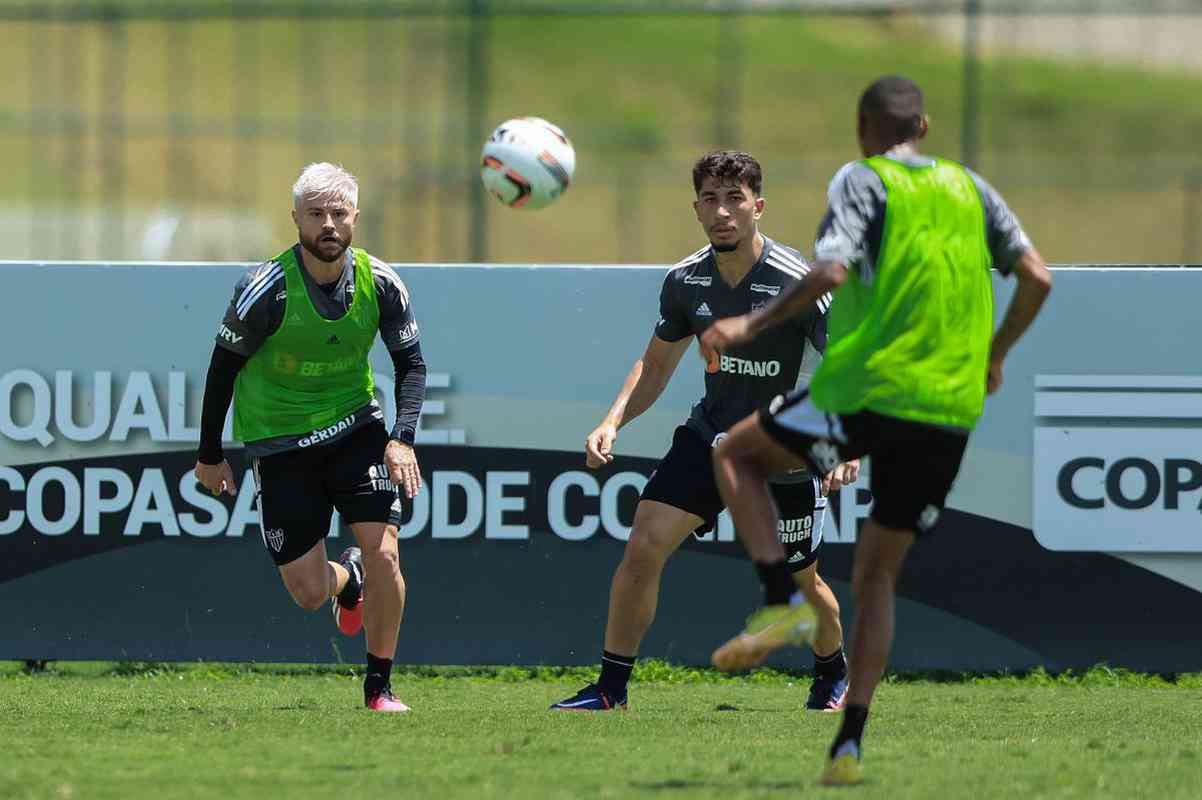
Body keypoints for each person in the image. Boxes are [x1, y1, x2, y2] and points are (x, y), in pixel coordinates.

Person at [699, 76, 1052, 784]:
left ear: (863, 126)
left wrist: (750, 322)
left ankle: (781, 603)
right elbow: (1037, 278)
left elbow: (829, 268)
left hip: (869, 389)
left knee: (735, 453)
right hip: (948, 405)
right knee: (878, 575)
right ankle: (849, 744)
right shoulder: (971, 188)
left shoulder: (863, 179)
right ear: (922, 125)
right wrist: (994, 357)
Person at [551, 150, 859, 713]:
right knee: (643, 545)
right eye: (711, 200)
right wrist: (613, 419)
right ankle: (611, 689)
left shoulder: (798, 284)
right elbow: (657, 365)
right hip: (711, 436)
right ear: (696, 209)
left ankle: (832, 671)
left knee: (803, 579)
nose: (722, 212)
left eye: (734, 199)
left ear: (758, 207)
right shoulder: (685, 280)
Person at [193, 162, 427, 712]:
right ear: (295, 218)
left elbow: (411, 365)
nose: (328, 224)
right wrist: (209, 456)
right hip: (281, 443)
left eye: (338, 213)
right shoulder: (264, 290)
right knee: (309, 594)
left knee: (387, 554)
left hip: (357, 431)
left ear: (354, 219)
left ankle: (379, 688)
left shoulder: (382, 283)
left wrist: (402, 437)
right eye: (316, 213)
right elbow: (221, 370)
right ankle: (348, 579)